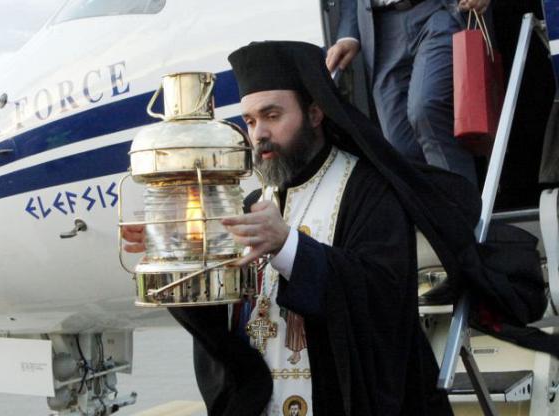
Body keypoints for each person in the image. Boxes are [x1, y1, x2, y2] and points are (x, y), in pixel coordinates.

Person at [123, 41, 550, 415]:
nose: (260, 135)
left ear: (314, 112)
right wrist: (178, 255)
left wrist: (289, 247)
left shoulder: (370, 190)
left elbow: (383, 299)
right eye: (250, 121)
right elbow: (227, 329)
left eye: (272, 115)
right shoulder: (253, 203)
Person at [325, 0, 491, 185]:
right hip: (380, 29)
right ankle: (434, 203)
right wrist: (348, 34)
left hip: (436, 10)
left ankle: (460, 201)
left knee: (425, 108)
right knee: (399, 144)